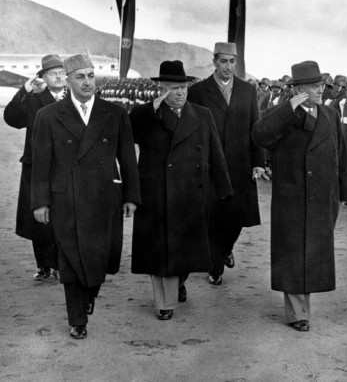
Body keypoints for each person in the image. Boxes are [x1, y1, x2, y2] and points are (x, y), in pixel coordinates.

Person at [31, 53, 141, 339]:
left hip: (105, 197)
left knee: (99, 258)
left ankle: (90, 291)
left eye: (91, 76)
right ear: (67, 81)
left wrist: (131, 195)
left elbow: (127, 157)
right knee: (69, 257)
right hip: (65, 198)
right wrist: (40, 202)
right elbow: (41, 162)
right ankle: (77, 318)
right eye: (80, 77)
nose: (87, 82)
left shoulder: (114, 113)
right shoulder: (48, 116)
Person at [252, 60, 347, 332]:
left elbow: (340, 155)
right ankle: (298, 313)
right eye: (314, 85)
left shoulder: (330, 115)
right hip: (292, 196)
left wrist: (344, 191)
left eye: (321, 85)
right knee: (294, 252)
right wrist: (288, 109)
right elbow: (259, 135)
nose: (321, 89)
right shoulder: (282, 114)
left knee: (314, 253)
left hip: (323, 197)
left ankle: (303, 309)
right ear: (298, 89)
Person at [130, 61, 233, 320]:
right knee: (159, 252)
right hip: (157, 193)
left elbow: (216, 155)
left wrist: (224, 190)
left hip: (191, 193)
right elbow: (128, 130)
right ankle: (165, 304)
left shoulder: (201, 114)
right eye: (173, 88)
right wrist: (150, 108)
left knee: (187, 249)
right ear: (161, 89)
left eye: (183, 87)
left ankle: (179, 282)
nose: (180, 92)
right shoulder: (148, 115)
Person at [187, 42, 263, 286]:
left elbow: (255, 127)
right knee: (213, 216)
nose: (228, 67)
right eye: (224, 62)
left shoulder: (247, 91)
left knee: (237, 217)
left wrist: (258, 162)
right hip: (209, 165)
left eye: (232, 62)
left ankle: (226, 248)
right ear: (214, 62)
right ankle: (215, 266)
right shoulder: (199, 91)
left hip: (240, 164)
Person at [4, 54, 66, 281]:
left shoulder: (76, 98)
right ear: (44, 78)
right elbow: (11, 119)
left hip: (65, 167)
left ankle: (61, 264)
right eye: (53, 74)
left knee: (63, 215)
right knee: (38, 218)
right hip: (36, 166)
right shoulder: (33, 99)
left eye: (61, 73)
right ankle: (44, 266)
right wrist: (24, 91)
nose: (58, 77)